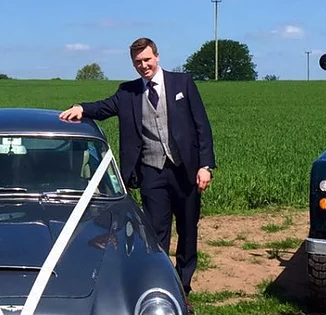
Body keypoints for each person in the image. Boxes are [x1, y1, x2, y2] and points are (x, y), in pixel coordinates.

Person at [58, 37, 214, 297]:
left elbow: (202, 127)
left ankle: (184, 288)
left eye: (147, 60)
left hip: (185, 171)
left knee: (188, 231)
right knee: (155, 233)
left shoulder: (182, 83)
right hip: (152, 172)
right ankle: (164, 287)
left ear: (157, 57)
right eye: (138, 62)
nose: (143, 66)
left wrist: (205, 166)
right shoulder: (127, 92)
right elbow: (104, 107)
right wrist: (81, 108)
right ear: (133, 64)